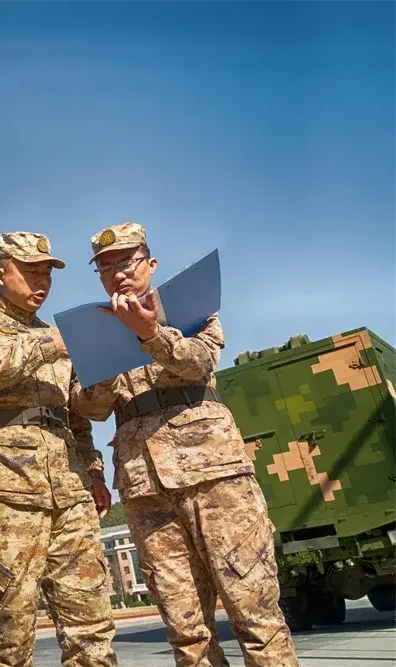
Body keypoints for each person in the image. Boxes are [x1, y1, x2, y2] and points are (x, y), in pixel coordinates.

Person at [71, 221, 301, 667]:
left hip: (215, 479)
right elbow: (90, 408)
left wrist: (150, 333)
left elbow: (200, 363)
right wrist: (97, 366)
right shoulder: (94, 331)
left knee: (255, 614)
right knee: (186, 632)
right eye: (104, 267)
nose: (116, 273)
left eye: (126, 261)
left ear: (150, 264)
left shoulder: (192, 310)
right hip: (146, 491)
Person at [0, 231, 118, 667]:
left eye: (47, 275)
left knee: (91, 625)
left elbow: (82, 415)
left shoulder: (62, 338)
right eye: (30, 272)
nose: (41, 283)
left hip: (70, 488)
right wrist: (53, 344)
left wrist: (107, 366)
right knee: (10, 628)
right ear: (1, 274)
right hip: (7, 487)